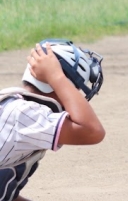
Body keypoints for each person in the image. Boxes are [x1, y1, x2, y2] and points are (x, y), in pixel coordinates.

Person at [0, 39, 105, 201]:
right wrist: (57, 77)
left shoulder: (18, 111)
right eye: (75, 89)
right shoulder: (24, 115)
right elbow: (92, 131)